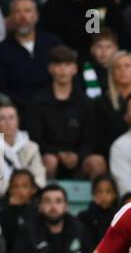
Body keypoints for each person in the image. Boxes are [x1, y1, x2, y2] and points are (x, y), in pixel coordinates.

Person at [28, 46, 102, 181]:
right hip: (49, 156)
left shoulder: (85, 102)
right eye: (58, 65)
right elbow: (35, 139)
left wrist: (78, 155)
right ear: (50, 68)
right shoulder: (38, 101)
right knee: (49, 161)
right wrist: (57, 154)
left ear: (74, 69)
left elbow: (91, 139)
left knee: (97, 162)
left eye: (67, 65)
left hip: (79, 159)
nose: (63, 69)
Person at [0, 103, 46, 223]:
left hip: (28, 200)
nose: (8, 122)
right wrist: (16, 190)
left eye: (12, 117)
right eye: (2, 118)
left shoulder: (31, 147)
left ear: (18, 121)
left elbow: (40, 179)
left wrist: (24, 193)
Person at [0, 0, 63, 109]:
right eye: (17, 12)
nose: (23, 16)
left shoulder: (53, 44)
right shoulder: (0, 51)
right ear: (10, 17)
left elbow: (63, 77)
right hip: (18, 112)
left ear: (36, 16)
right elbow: (1, 89)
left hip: (54, 108)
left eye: (27, 11)